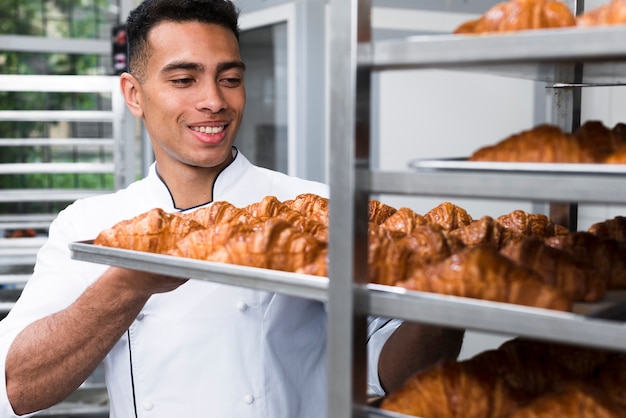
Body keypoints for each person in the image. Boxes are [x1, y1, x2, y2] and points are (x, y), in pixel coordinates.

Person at [0, 0, 464, 416]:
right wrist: (126, 284)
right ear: (134, 95)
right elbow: (15, 387)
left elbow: (401, 374)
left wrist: (452, 292)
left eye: (231, 79)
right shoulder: (90, 226)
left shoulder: (317, 209)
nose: (214, 101)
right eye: (184, 79)